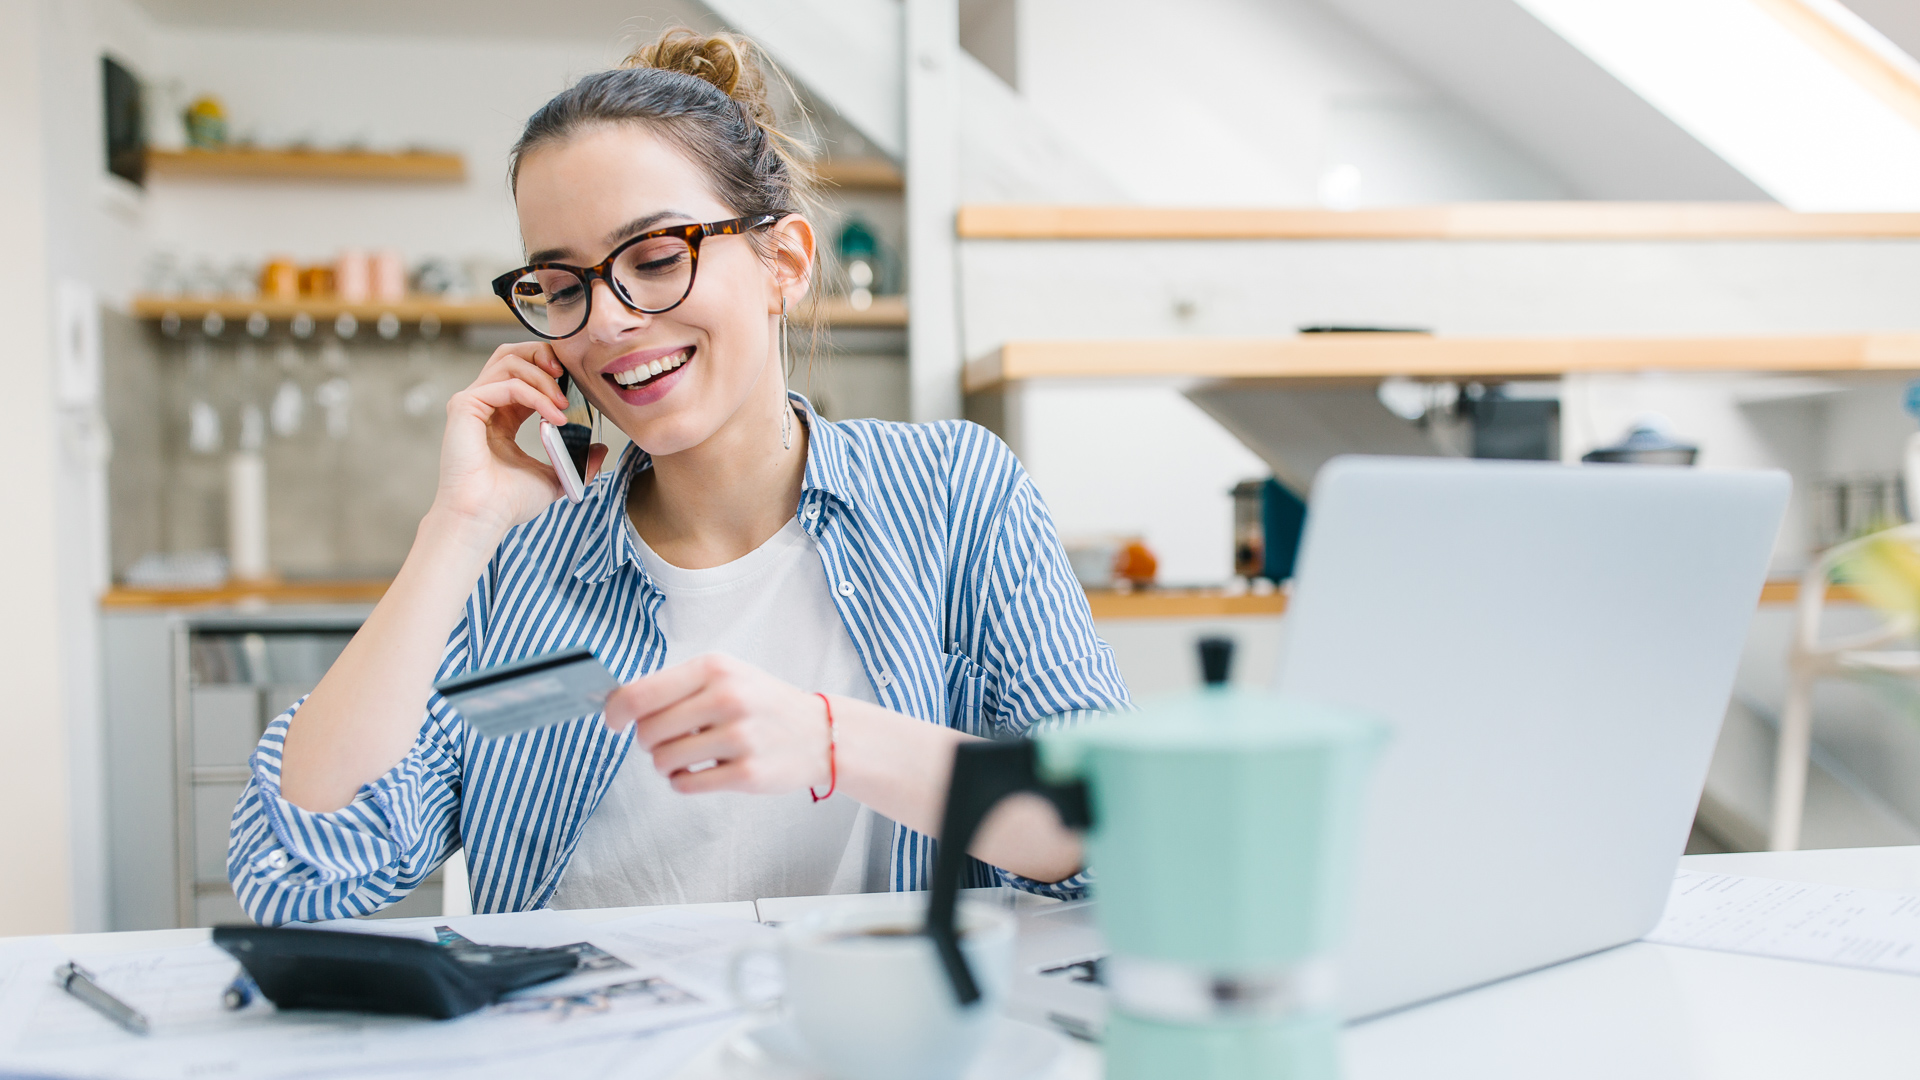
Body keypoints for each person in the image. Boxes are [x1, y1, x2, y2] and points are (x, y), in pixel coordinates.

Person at [228, 28, 1129, 924]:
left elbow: (1114, 830)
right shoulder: (521, 565)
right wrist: (455, 529)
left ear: (784, 262)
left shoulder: (951, 494)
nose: (609, 322)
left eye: (656, 259)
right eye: (563, 285)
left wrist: (828, 738)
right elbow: (301, 872)